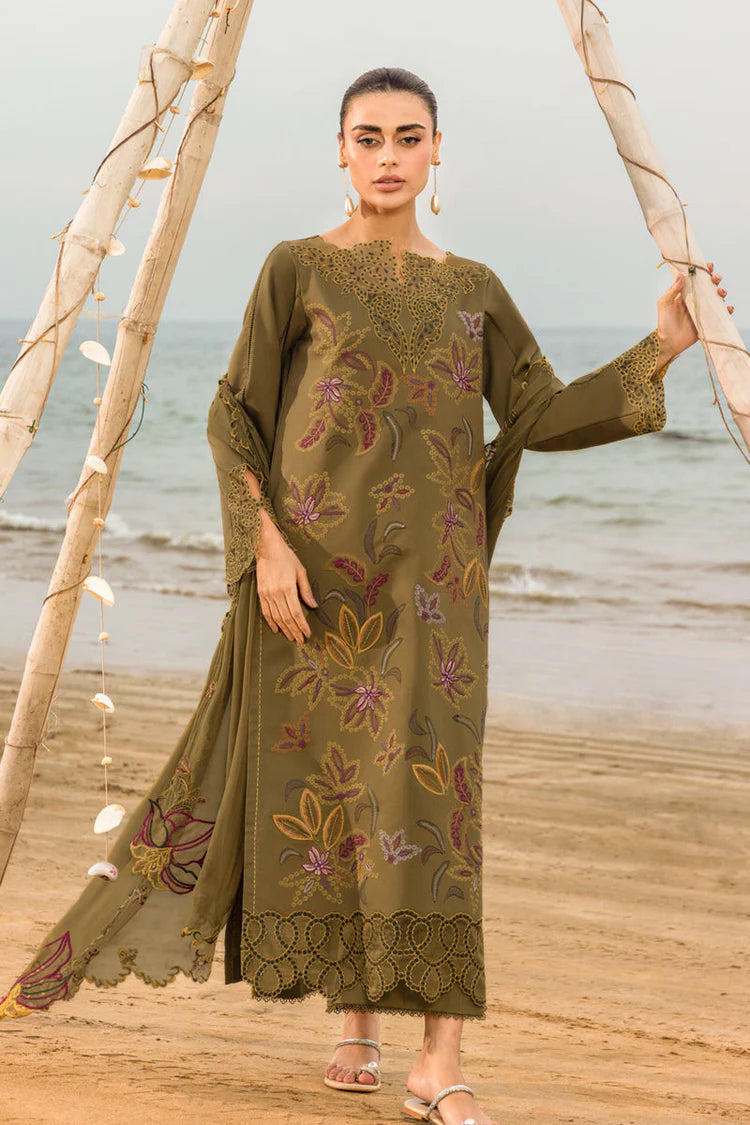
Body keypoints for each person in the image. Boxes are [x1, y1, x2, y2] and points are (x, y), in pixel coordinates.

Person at [0, 66, 729, 1125]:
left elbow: (538, 415)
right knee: (344, 803)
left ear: (437, 152)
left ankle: (438, 1059)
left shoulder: (475, 288)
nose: (389, 155)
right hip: (311, 589)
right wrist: (264, 546)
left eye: (409, 136)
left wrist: (663, 345)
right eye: (369, 136)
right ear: (339, 150)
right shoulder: (295, 270)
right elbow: (235, 415)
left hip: (434, 599)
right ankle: (357, 1016)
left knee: (431, 808)